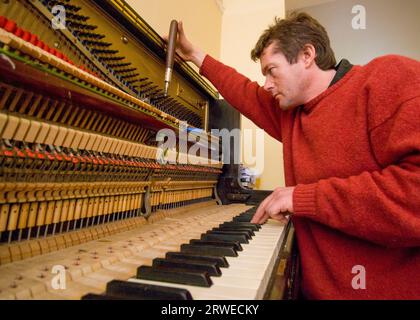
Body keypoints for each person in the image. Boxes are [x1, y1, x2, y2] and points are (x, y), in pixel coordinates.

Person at [167, 12, 420, 299]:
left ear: (307, 55)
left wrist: (303, 198)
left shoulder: (387, 79)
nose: (266, 84)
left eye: (271, 70)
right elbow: (245, 92)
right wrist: (195, 54)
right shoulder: (292, 114)